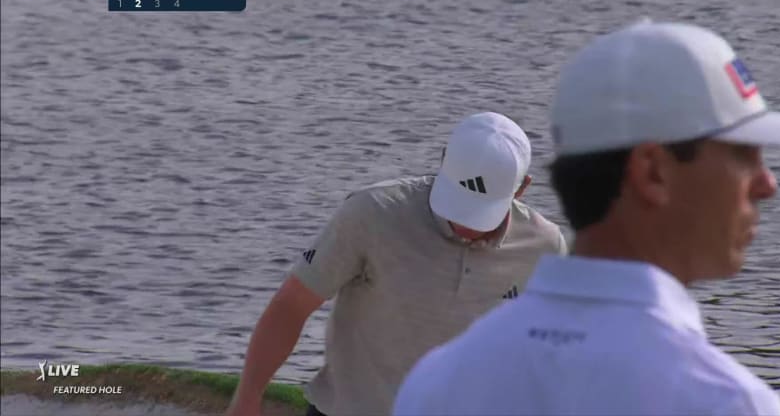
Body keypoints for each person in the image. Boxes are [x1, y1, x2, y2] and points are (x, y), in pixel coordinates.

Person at [393, 21, 780, 416]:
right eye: (743, 154)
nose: (768, 183)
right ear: (652, 172)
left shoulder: (437, 381)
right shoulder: (724, 402)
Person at [226, 111, 568, 416]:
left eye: (480, 216)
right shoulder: (373, 214)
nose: (464, 225)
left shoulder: (544, 247)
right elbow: (291, 305)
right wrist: (246, 400)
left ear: (522, 188)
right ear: (443, 159)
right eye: (457, 205)